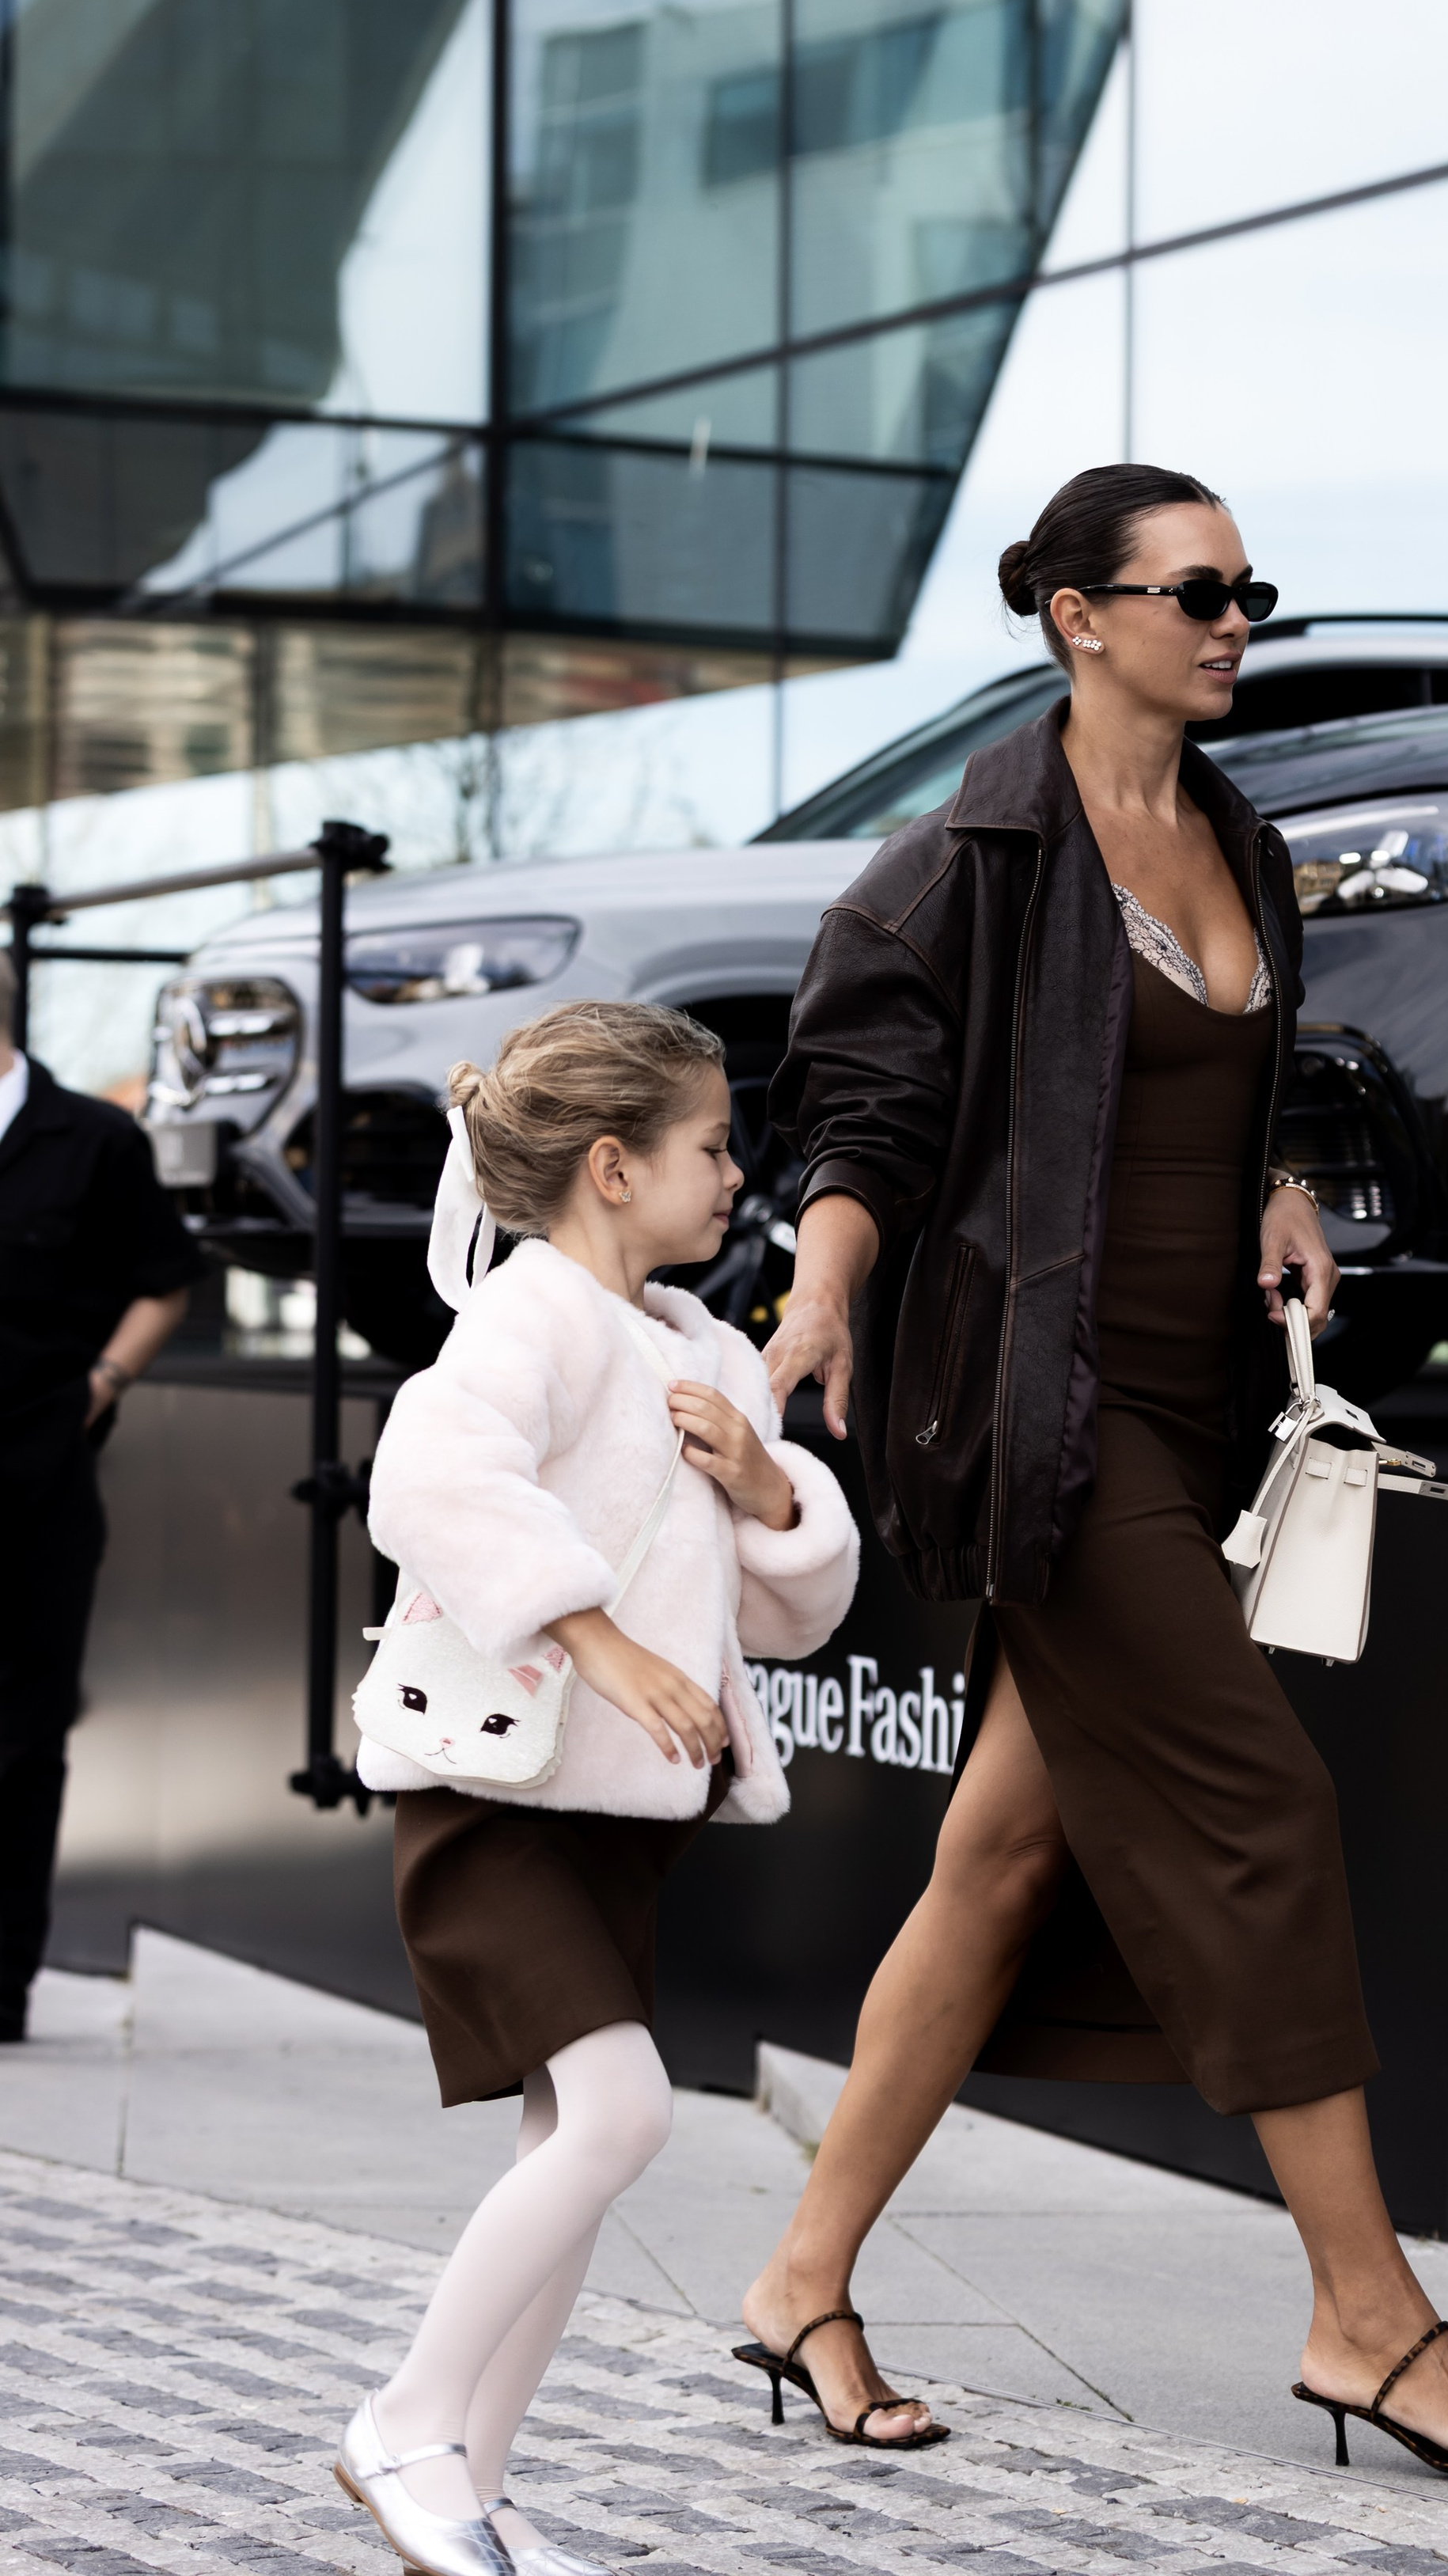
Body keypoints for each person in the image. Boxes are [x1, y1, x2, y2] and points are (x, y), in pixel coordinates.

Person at [733, 465, 1448, 2483]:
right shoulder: (956, 871)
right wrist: (822, 1298)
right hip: (1046, 1422)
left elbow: (1228, 1071)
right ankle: (1365, 2318)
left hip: (1200, 1406)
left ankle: (797, 2279)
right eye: (1196, 590)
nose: (1233, 622)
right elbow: (859, 1130)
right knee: (1259, 1803)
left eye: (1250, 589)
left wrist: (1282, 1180)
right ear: (1074, 614)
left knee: (1003, 1861)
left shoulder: (1231, 837)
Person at [338, 1000, 859, 2576]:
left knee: (567, 2151)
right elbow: (426, 1478)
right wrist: (593, 1641)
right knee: (621, 2113)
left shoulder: (707, 1355)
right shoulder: (532, 1315)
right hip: (493, 1801)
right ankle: (407, 2424)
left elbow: (783, 1607)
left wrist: (770, 1493)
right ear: (614, 1167)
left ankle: (468, 2491)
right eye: (712, 1149)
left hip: (615, 1823)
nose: (734, 1177)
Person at [0, 954, 197, 2041]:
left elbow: (165, 1280)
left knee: (24, 1739)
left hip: (38, 1480)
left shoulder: (93, 1139)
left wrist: (103, 1384)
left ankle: (2, 1984)